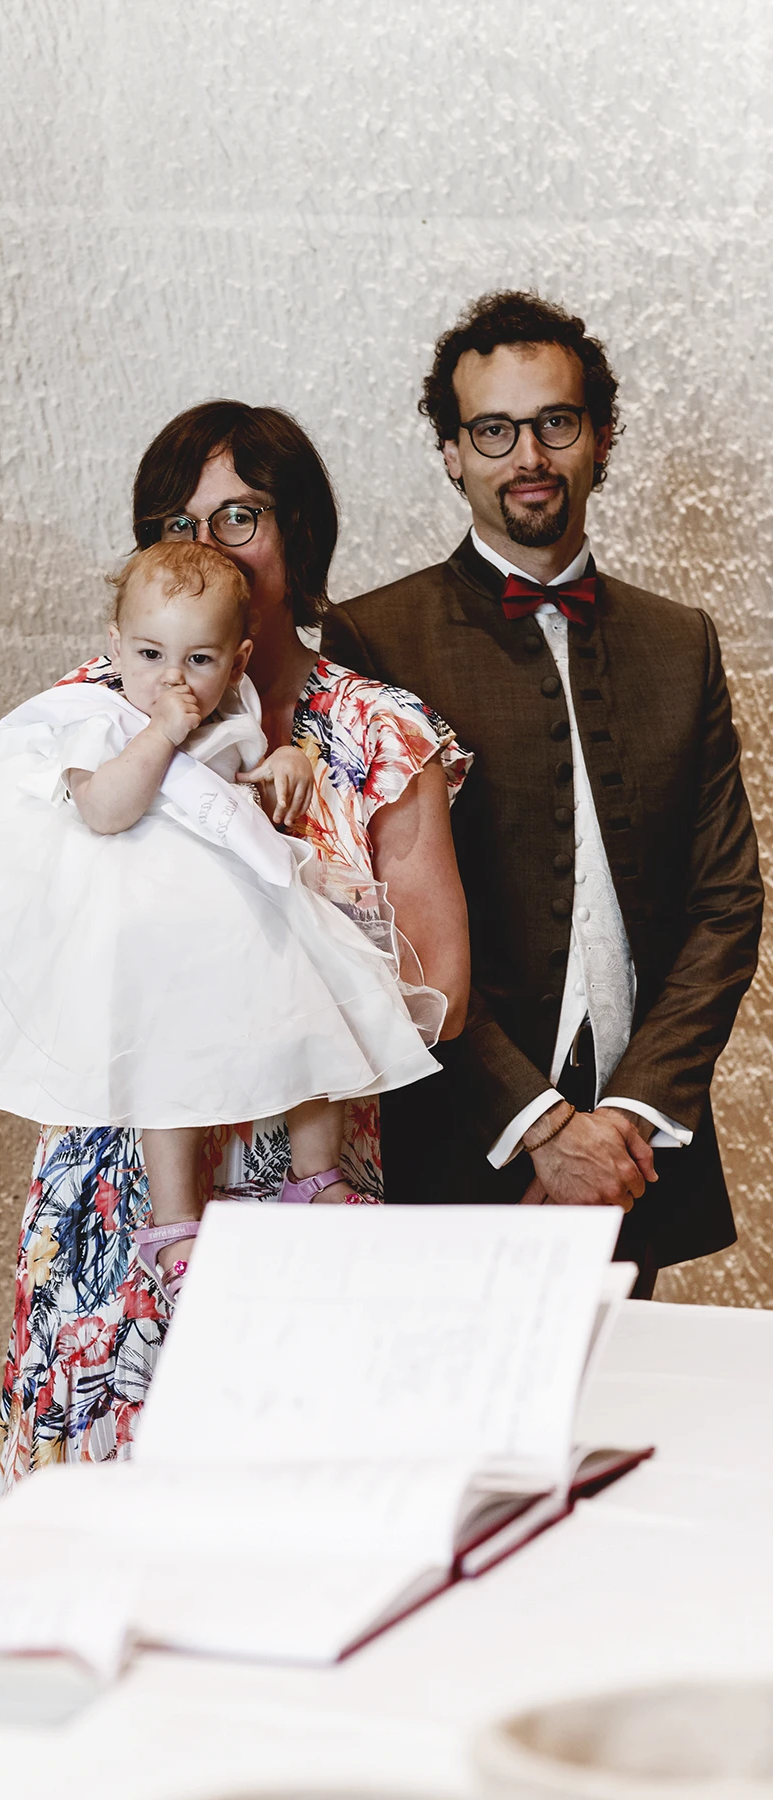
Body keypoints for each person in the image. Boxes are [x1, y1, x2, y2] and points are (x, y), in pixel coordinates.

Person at [0, 401, 472, 1489]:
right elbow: (22, 920)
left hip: (297, 1173)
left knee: (283, 1508)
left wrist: (292, 932)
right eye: (180, 520)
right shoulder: (91, 707)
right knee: (93, 1521)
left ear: (297, 534)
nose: (209, 545)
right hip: (116, 1189)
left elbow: (443, 988)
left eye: (240, 515)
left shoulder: (374, 731)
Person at [0, 540, 446, 1302]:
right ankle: (175, 1222)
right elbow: (107, 809)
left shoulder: (233, 707)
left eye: (199, 661)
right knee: (164, 1078)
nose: (173, 678)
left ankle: (319, 1175)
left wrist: (288, 762)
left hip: (240, 915)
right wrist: (162, 732)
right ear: (115, 647)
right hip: (152, 936)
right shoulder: (89, 717)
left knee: (317, 1016)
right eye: (149, 653)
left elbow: (238, 784)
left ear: (237, 661)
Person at [323, 291, 763, 1298]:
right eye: (493, 430)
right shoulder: (370, 641)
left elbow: (725, 903)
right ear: (451, 453)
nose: (527, 455)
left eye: (554, 423)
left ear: (598, 438)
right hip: (452, 1144)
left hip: (631, 1160)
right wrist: (538, 1127)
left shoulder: (679, 641)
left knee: (613, 1433)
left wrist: (624, 1120)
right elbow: (369, 924)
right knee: (445, 1443)